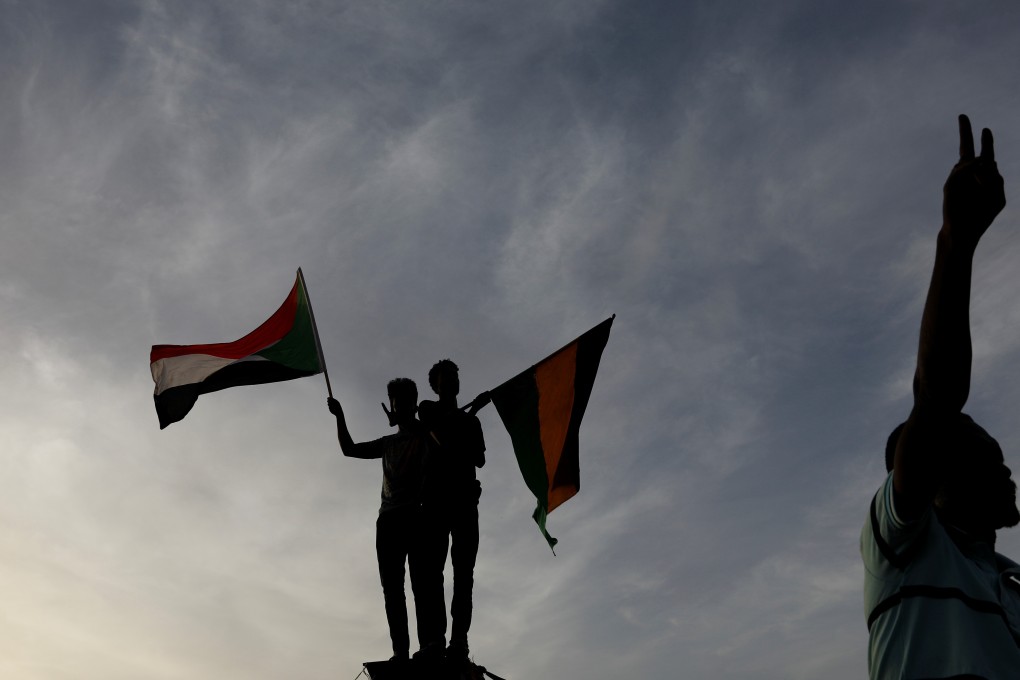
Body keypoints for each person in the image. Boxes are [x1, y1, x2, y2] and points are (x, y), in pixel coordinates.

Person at [861, 115, 1020, 678]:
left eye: (998, 454)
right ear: (933, 489)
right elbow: (936, 398)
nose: (1004, 466)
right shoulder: (902, 552)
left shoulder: (1011, 581)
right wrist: (957, 240)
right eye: (982, 457)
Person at [327, 379, 442, 661]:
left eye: (402, 400)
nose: (397, 405)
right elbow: (350, 449)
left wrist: (416, 423)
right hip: (388, 520)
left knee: (421, 584)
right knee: (392, 589)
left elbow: (441, 450)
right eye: (393, 400)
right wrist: (340, 416)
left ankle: (428, 645)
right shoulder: (388, 443)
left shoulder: (426, 435)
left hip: (417, 515)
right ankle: (400, 650)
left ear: (413, 404)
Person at [417, 359, 488, 662]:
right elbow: (442, 440)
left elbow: (479, 459)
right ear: (435, 384)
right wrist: (471, 413)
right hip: (436, 500)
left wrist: (472, 416)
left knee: (464, 574)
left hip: (464, 501)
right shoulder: (428, 409)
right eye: (447, 376)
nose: (453, 380)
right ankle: (434, 640)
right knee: (433, 572)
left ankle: (459, 640)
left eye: (456, 375)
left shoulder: (471, 422)